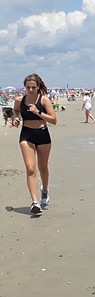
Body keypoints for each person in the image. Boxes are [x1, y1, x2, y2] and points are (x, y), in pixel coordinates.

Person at [12, 74, 57, 214]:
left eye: (33, 87)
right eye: (27, 87)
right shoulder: (20, 100)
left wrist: (38, 112)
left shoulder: (44, 100)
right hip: (26, 134)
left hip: (43, 134)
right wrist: (15, 119)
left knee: (43, 168)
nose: (30, 90)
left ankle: (44, 189)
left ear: (38, 87)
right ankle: (35, 202)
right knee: (31, 169)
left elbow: (54, 120)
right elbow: (15, 111)